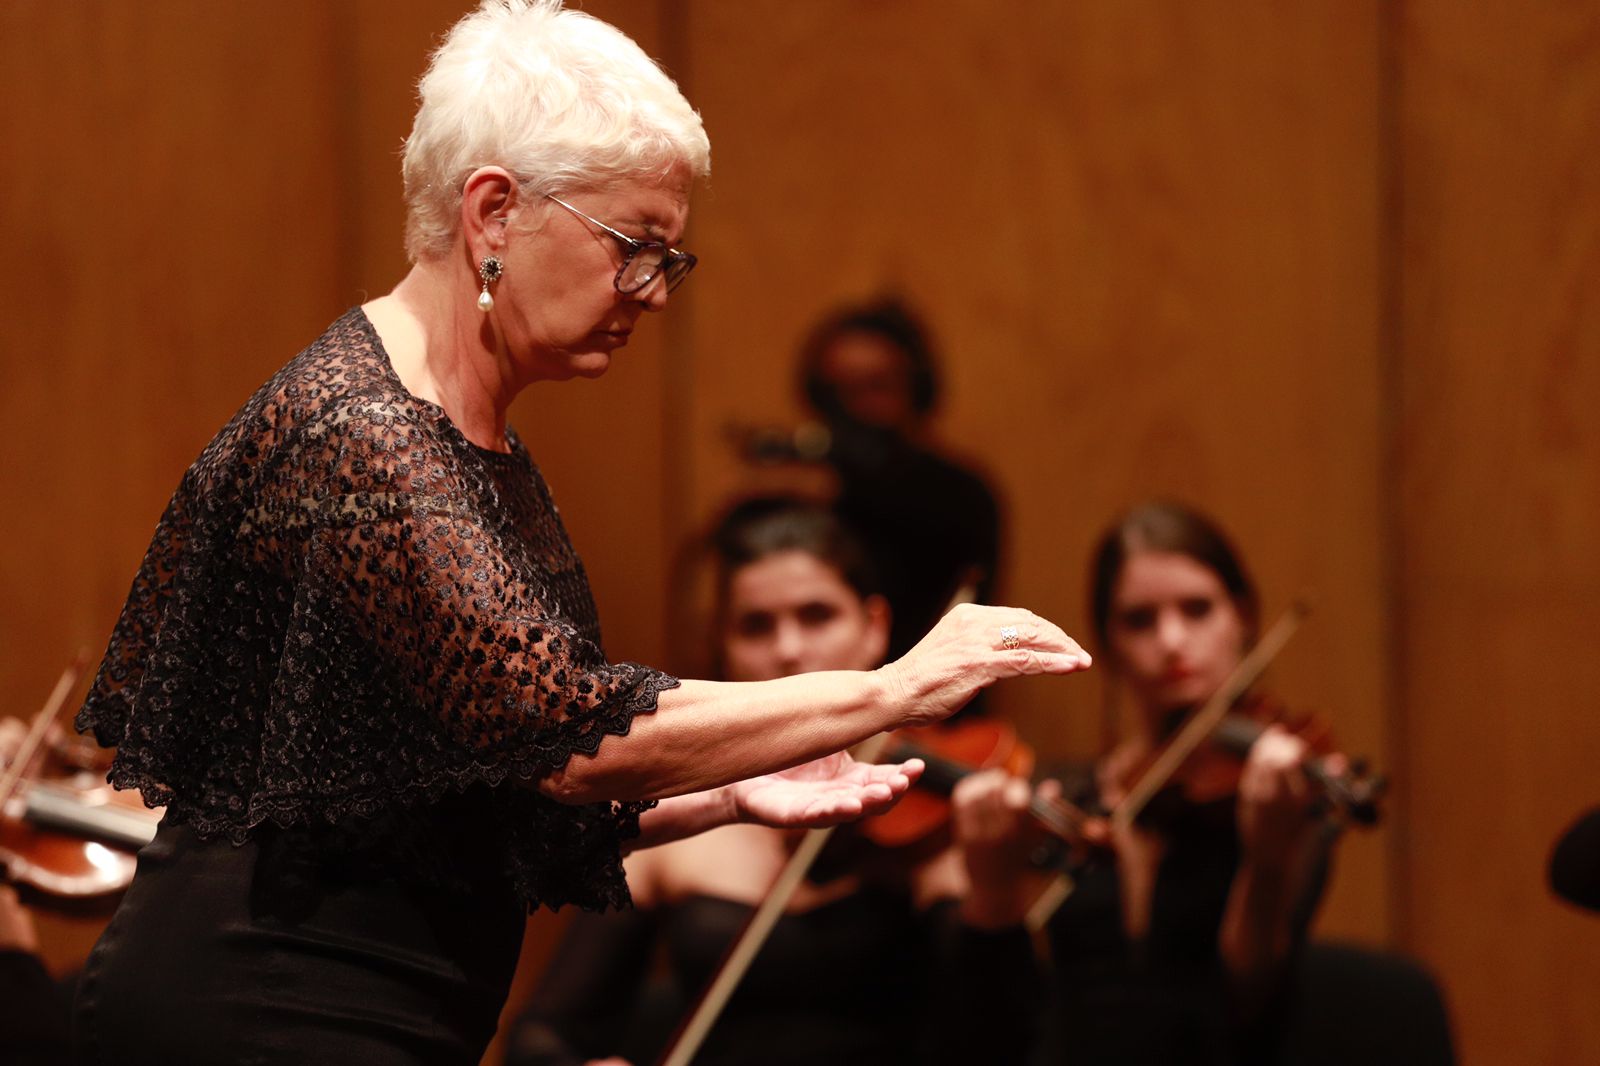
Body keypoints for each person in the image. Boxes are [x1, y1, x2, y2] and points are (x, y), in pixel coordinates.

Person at [67, 4, 1090, 1063]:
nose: (650, 293)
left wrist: (724, 790)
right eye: (631, 248)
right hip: (266, 1006)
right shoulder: (368, 440)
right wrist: (893, 688)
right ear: (494, 213)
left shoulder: (466, 435)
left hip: (364, 1001)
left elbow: (480, 791)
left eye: (667, 259)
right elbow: (567, 734)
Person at [507, 499, 1042, 1066]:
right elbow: (541, 1037)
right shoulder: (676, 816)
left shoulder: (930, 825)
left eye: (817, 615)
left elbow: (997, 1045)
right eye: (756, 625)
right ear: (722, 644)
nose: (788, 649)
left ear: (874, 627)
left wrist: (996, 895)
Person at [963, 501, 1347, 1065]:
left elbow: (1252, 999)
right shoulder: (1072, 795)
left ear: (1241, 617)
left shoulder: (1286, 790)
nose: (1171, 640)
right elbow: (1006, 1009)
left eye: (1197, 610)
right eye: (1139, 619)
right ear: (1108, 640)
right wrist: (997, 878)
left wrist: (1266, 858)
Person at [797, 299, 1004, 658]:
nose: (857, 407)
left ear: (916, 389)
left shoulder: (962, 496)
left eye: (876, 386)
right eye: (838, 391)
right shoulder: (810, 501)